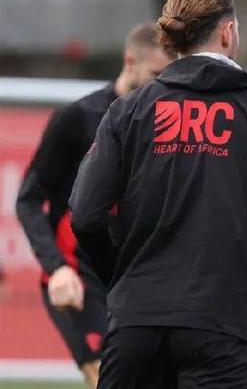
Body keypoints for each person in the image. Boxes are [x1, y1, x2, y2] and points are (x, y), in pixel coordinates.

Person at [68, 0, 247, 388]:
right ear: (228, 33)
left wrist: (124, 281)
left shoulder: (129, 110)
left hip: (136, 324)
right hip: (224, 327)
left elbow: (85, 214)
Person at [15, 22, 173, 388]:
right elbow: (29, 199)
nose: (163, 86)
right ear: (130, 61)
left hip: (133, 276)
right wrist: (56, 268)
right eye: (156, 75)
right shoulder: (78, 117)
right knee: (105, 375)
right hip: (79, 276)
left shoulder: (165, 123)